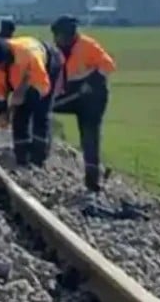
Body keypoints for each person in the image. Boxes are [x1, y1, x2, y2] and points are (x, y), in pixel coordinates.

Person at [50, 16, 116, 192]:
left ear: (69, 35)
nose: (56, 40)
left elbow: (108, 65)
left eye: (59, 36)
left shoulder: (87, 46)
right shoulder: (58, 51)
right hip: (73, 94)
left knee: (89, 136)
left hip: (93, 97)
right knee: (43, 108)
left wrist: (91, 82)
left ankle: (92, 181)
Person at [0, 35, 55, 167]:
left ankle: (38, 159)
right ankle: (22, 158)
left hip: (47, 66)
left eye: (1, 65)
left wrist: (25, 98)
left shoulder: (28, 57)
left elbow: (43, 87)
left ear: (7, 57)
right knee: (19, 118)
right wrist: (1, 113)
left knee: (40, 112)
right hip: (21, 78)